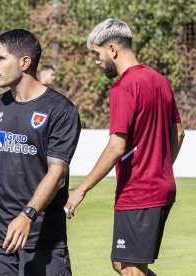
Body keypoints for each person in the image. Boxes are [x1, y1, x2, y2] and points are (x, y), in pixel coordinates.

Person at [65, 19, 185, 276]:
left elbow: (116, 147)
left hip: (140, 191)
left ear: (112, 49)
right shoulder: (159, 80)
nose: (97, 62)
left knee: (130, 268)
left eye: (97, 55)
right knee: (122, 262)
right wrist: (160, 167)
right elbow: (179, 132)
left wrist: (80, 190)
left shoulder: (123, 87)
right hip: (160, 187)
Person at [0, 29, 81, 276]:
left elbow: (57, 172)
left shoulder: (60, 111)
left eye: (0, 58)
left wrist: (27, 216)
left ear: (25, 62)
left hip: (42, 239)